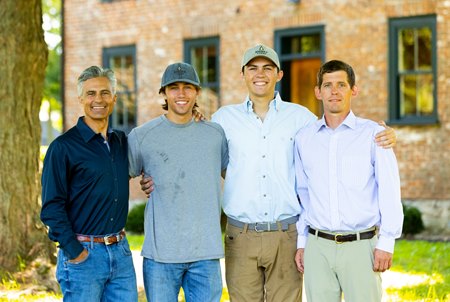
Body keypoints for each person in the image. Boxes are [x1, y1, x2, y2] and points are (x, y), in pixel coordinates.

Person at [141, 45, 397, 301]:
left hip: (285, 235)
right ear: (243, 74)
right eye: (252, 68)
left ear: (279, 74)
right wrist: (155, 177)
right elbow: (199, 155)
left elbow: (333, 135)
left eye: (267, 68)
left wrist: (387, 135)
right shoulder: (222, 120)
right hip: (240, 236)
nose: (259, 74)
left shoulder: (302, 119)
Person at [293, 60, 404, 302]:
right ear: (318, 91)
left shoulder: (374, 135)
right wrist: (302, 242)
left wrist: (387, 242)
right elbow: (304, 194)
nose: (334, 91)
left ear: (353, 90)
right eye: (328, 85)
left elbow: (389, 190)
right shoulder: (304, 139)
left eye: (341, 84)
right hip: (318, 247)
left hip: (361, 247)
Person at [128, 62, 228, 302]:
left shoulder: (215, 134)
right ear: (163, 93)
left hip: (205, 253)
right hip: (161, 255)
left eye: (187, 87)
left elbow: (233, 177)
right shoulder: (142, 136)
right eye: (174, 87)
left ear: (197, 92)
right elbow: (117, 180)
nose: (181, 94)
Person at [40, 66, 138, 301]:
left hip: (121, 253)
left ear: (114, 98)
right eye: (91, 93)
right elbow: (52, 208)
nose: (98, 100)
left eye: (105, 93)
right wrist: (75, 252)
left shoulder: (120, 142)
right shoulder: (62, 148)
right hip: (84, 256)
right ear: (81, 99)